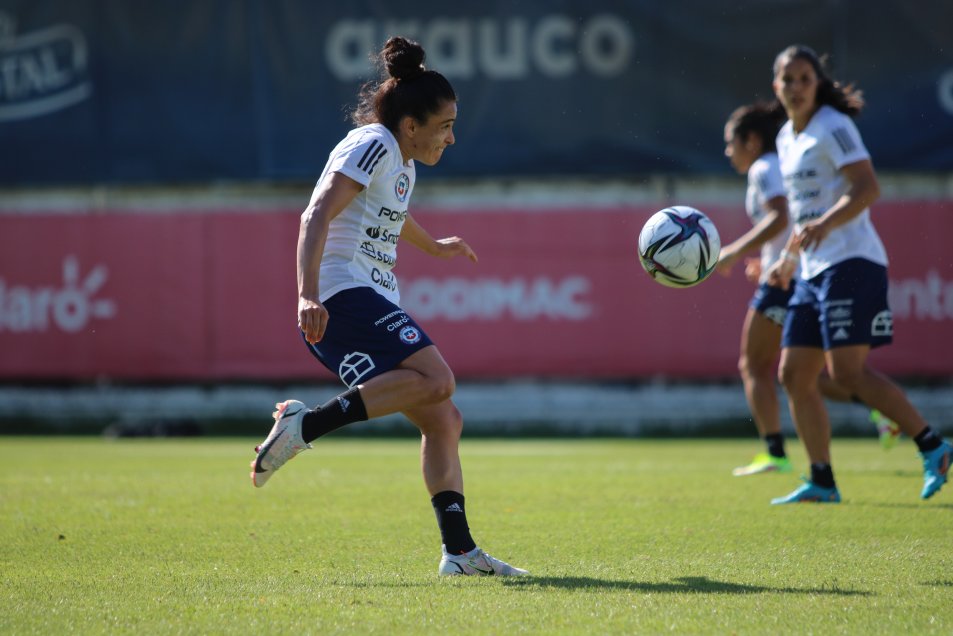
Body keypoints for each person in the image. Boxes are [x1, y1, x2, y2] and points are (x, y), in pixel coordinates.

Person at [250, 36, 528, 575]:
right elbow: (315, 216)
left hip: (362, 298)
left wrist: (435, 246)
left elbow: (392, 217)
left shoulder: (400, 162)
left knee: (444, 419)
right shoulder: (373, 143)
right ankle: (304, 428)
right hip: (340, 296)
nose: (452, 136)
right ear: (410, 125)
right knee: (439, 379)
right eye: (444, 125)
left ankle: (460, 553)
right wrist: (308, 293)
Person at [764, 44, 951, 503]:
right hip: (811, 271)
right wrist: (787, 258)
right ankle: (822, 479)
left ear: (817, 84)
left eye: (805, 78)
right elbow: (803, 213)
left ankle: (933, 446)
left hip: (852, 261)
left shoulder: (834, 126)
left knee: (846, 373)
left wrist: (825, 225)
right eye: (788, 79)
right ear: (776, 86)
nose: (796, 87)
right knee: (793, 374)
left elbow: (868, 187)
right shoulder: (787, 137)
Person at [718, 103, 901, 478]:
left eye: (730, 143)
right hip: (793, 271)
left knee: (753, 364)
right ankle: (878, 409)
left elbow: (782, 217)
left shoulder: (764, 167)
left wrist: (736, 252)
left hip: (790, 279)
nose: (727, 152)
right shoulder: (780, 158)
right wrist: (771, 259)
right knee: (805, 374)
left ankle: (775, 453)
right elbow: (792, 219)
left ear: (750, 141)